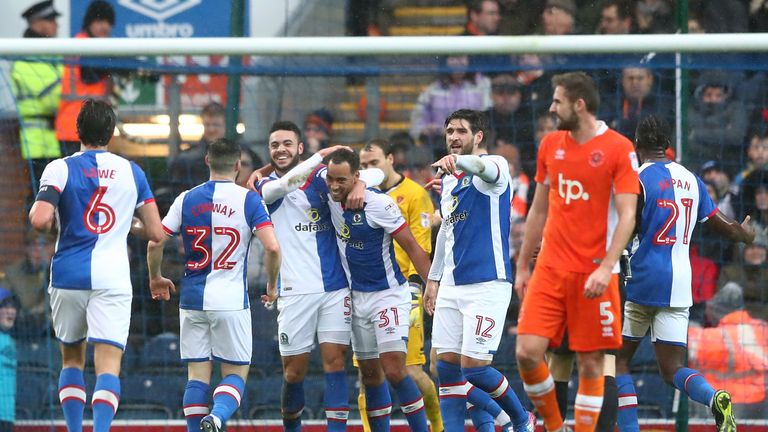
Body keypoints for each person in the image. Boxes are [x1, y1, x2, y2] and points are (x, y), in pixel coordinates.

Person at [28, 99, 164, 432]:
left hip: (68, 275)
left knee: (72, 359)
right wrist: (125, 224)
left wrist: (44, 217)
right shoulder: (132, 171)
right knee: (108, 365)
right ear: (112, 133)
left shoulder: (60, 168)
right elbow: (157, 232)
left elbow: (40, 220)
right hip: (113, 277)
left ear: (78, 131)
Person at [514, 72, 639, 432]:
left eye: (557, 101)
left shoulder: (618, 149)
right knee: (526, 352)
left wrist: (607, 267)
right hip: (550, 269)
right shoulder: (550, 144)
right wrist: (523, 267)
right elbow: (538, 210)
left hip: (594, 273)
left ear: (578, 105)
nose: (551, 108)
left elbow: (628, 214)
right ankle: (554, 427)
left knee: (591, 364)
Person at [614, 115, 755, 432]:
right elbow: (722, 226)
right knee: (673, 368)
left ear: (638, 145)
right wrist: (745, 234)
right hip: (680, 284)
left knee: (617, 361)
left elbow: (625, 227)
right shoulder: (692, 179)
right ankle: (714, 396)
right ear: (668, 146)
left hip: (643, 280)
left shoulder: (637, 179)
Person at [253, 121, 382, 432]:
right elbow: (281, 187)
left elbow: (376, 174)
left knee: (335, 362)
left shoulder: (322, 178)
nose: (280, 149)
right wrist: (318, 156)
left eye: (287, 143)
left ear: (299, 147)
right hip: (294, 292)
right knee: (293, 373)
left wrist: (360, 184)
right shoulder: (262, 185)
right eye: (275, 145)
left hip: (334, 288)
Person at [147, 138, 281, 432]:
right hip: (230, 301)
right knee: (236, 372)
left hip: (192, 300)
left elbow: (156, 240)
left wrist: (155, 276)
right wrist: (272, 286)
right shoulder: (249, 200)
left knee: (196, 376)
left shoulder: (186, 198)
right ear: (237, 166)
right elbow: (272, 249)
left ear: (206, 161)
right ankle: (217, 417)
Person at [424, 109, 534, 432]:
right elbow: (446, 231)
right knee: (445, 369)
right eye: (449, 132)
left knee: (473, 369)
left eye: (461, 131)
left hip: (488, 283)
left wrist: (459, 163)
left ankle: (519, 418)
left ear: (478, 137)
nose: (454, 137)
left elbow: (481, 167)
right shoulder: (449, 181)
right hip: (452, 286)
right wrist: (433, 279)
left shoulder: (496, 167)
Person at [325, 149, 432, 432]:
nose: (335, 186)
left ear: (356, 178)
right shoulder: (329, 199)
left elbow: (411, 246)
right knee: (370, 376)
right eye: (330, 180)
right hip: (354, 298)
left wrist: (432, 286)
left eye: (342, 181)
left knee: (395, 369)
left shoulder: (378, 204)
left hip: (388, 295)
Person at [357, 139, 442, 432]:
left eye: (374, 163)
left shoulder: (415, 194)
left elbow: (420, 245)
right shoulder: (358, 197)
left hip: (405, 288)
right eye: (364, 166)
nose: (369, 169)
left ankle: (437, 426)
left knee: (411, 369)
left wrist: (419, 286)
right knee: (367, 374)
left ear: (390, 159)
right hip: (367, 292)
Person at [688, 282, 768, 419]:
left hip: (717, 406)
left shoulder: (708, 336)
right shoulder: (762, 329)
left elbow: (687, 352)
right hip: (759, 405)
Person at [55, 0, 115, 157]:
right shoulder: (84, 45)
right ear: (89, 23)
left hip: (86, 127)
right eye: (100, 21)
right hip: (75, 128)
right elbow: (91, 74)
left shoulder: (92, 46)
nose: (105, 27)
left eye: (109, 22)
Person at [12, 0, 63, 186]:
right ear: (37, 23)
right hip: (38, 144)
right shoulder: (24, 59)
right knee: (41, 198)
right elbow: (52, 99)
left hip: (58, 139)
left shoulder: (52, 55)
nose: (56, 25)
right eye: (51, 20)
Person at [410, 56, 492, 158]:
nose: (458, 62)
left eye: (461, 57)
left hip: (474, 143)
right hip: (439, 144)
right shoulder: (433, 89)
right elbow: (418, 119)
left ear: (469, 60)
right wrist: (424, 129)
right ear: (446, 62)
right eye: (453, 58)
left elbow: (488, 115)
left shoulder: (483, 85)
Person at [169, 102, 227, 194]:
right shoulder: (185, 159)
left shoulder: (243, 155)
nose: (211, 129)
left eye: (216, 125)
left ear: (225, 125)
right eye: (207, 125)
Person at [0, 288, 19, 432]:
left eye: (13, 307)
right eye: (5, 306)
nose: (10, 311)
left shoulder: (12, 341)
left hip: (8, 416)